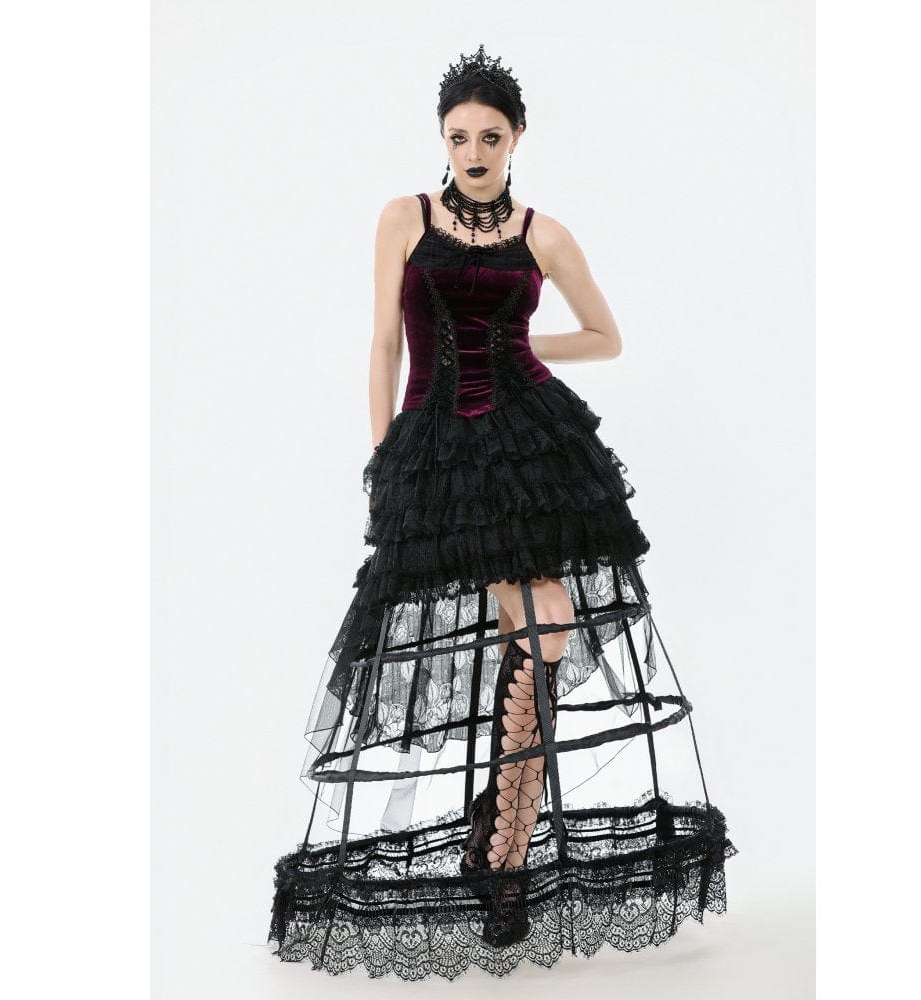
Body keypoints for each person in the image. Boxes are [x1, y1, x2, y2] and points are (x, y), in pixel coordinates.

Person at [268, 43, 737, 981]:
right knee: (536, 623)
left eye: (490, 136)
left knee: (549, 626)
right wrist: (384, 460)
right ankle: (503, 848)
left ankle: (503, 835)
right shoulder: (403, 218)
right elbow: (384, 344)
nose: (474, 151)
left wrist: (524, 342)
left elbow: (606, 337)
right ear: (441, 139)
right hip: (440, 453)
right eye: (458, 137)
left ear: (517, 137)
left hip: (527, 446)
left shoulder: (543, 234)